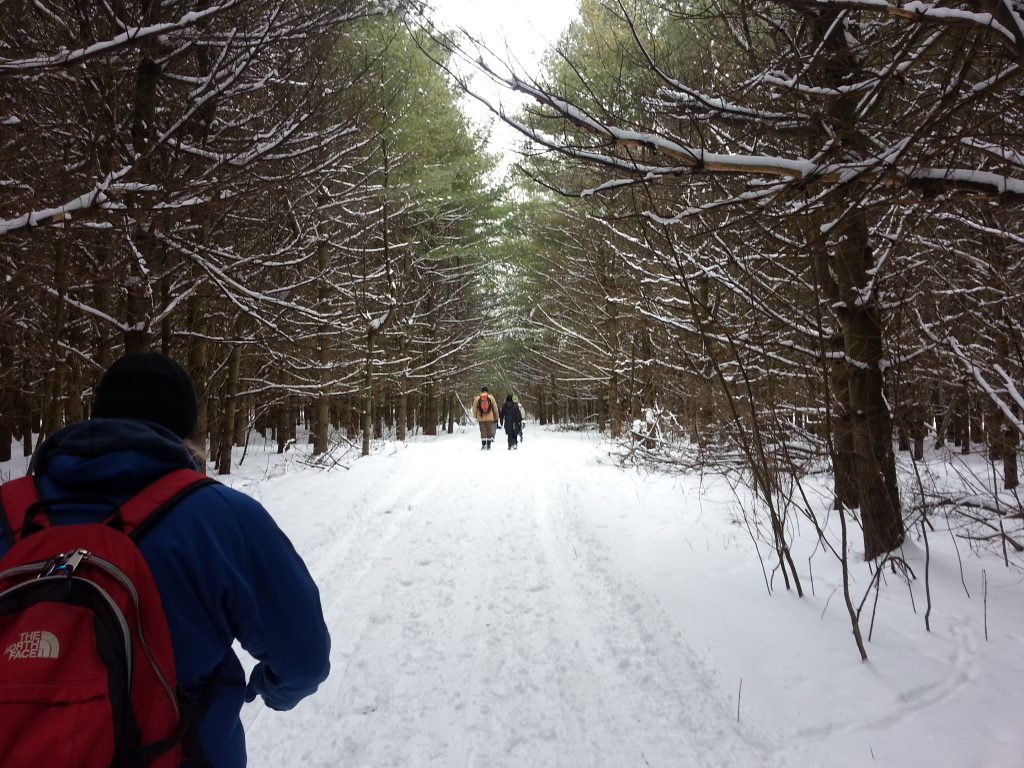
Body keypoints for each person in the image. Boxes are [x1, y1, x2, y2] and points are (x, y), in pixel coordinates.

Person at [0, 353, 330, 768]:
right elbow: (304, 659)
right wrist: (270, 689)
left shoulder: (10, 512)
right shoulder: (222, 516)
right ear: (188, 433)